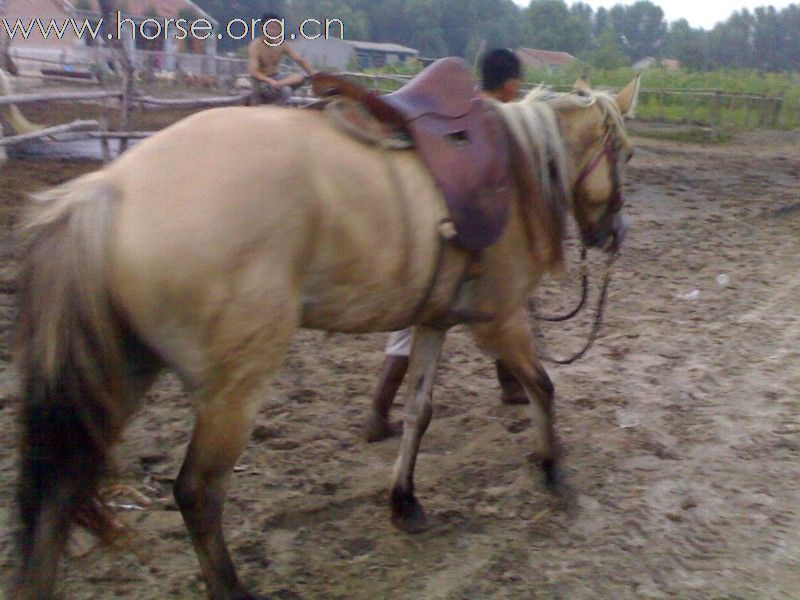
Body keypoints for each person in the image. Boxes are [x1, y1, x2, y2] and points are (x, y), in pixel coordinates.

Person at [367, 48, 528, 443]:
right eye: (518, 85)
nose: (519, 91)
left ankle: (378, 412)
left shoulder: (463, 112)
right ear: (510, 85)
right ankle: (511, 385)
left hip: (433, 226)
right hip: (467, 236)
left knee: (408, 334)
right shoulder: (498, 120)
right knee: (503, 308)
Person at [248, 12, 315, 104]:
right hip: (262, 82)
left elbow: (299, 60)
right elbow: (254, 72)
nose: (273, 31)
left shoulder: (282, 44)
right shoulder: (255, 46)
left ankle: (280, 86)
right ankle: (277, 108)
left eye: (276, 28)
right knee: (286, 90)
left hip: (278, 79)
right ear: (262, 28)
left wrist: (315, 75)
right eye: (270, 27)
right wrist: (270, 81)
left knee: (301, 77)